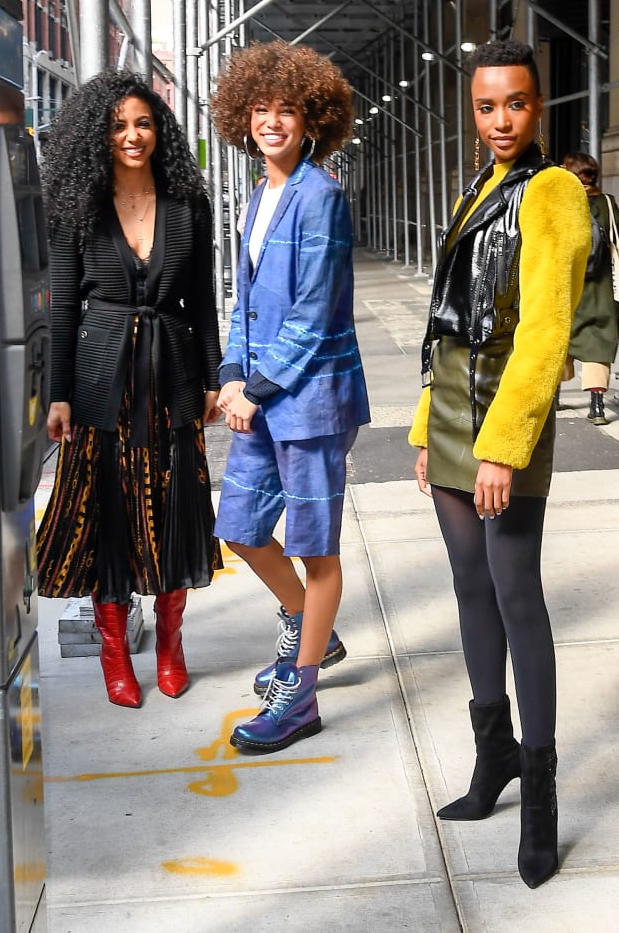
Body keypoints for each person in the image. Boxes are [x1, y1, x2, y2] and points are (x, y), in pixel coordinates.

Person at [409, 40, 591, 889]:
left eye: (514, 104)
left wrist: (503, 448)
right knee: (470, 586)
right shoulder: (478, 187)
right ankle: (495, 760)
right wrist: (423, 429)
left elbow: (546, 332)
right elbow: (446, 325)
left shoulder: (556, 193)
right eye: (486, 107)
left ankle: (541, 793)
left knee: (517, 591)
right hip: (451, 408)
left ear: (539, 104)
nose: (500, 122)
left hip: (502, 421)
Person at [36, 70, 223, 709]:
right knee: (109, 520)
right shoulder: (79, 205)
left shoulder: (184, 204)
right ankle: (115, 655)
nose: (131, 135)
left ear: (158, 130)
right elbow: (63, 308)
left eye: (142, 123)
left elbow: (200, 299)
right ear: (99, 134)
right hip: (98, 378)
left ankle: (170, 643)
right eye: (118, 125)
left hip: (172, 374)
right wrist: (58, 394)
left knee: (175, 511)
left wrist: (212, 376)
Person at [210, 41, 370, 754]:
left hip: (309, 401)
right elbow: (245, 304)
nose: (272, 121)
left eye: (288, 110)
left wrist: (258, 389)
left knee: (316, 547)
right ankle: (313, 631)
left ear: (314, 122)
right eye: (261, 108)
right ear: (242, 117)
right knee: (239, 526)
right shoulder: (260, 196)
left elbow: (311, 310)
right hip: (262, 394)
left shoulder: (321, 196)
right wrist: (230, 374)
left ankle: (300, 696)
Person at [561, 151, 619, 425]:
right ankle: (597, 406)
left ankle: (553, 396)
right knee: (598, 345)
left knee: (559, 340)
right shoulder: (609, 205)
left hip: (567, 287)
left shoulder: (561, 204)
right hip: (601, 290)